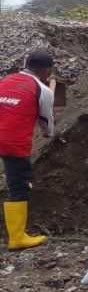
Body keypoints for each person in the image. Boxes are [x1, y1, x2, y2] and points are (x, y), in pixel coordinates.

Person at [0, 50, 56, 250]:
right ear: (47, 70)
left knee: (17, 177)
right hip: (13, 141)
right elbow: (46, 124)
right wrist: (49, 133)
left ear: (26, 64)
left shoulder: (5, 80)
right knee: (18, 185)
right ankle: (17, 238)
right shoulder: (43, 90)